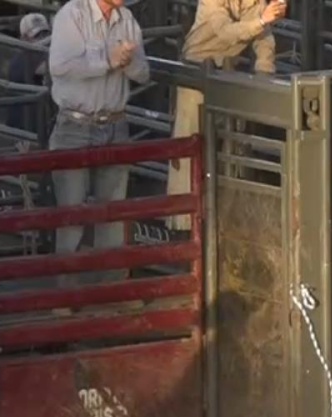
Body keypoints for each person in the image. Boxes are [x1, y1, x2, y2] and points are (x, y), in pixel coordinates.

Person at [167, 0, 286, 232]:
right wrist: (262, 20)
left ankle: (222, 219)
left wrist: (265, 72)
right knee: (191, 144)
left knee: (226, 149)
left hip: (225, 75)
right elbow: (225, 32)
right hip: (195, 75)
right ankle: (184, 224)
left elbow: (264, 39)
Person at [47, 0, 149, 267]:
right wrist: (108, 59)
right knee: (72, 215)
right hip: (75, 125)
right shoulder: (72, 15)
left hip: (115, 124)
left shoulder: (127, 19)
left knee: (112, 215)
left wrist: (126, 63)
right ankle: (68, 286)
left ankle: (109, 283)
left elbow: (143, 73)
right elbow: (60, 66)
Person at [6, 13, 52, 136]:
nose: (43, 39)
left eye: (45, 34)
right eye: (37, 36)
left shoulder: (46, 53)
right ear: (24, 39)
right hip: (23, 132)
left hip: (41, 126)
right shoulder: (19, 61)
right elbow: (46, 69)